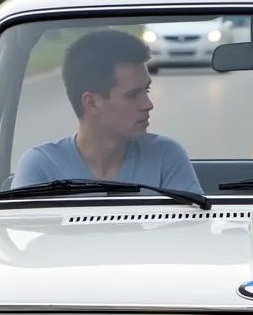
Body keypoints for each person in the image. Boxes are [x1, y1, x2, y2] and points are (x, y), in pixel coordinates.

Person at [12, 28, 202, 194]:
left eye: (146, 90)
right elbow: (22, 234)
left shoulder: (166, 156)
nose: (148, 104)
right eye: (132, 95)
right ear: (92, 103)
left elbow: (189, 232)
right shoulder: (41, 168)